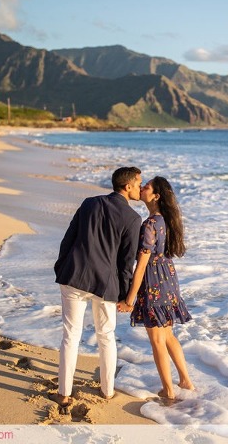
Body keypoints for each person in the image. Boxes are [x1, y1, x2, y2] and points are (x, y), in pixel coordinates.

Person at [51, 166, 143, 408]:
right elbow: (126, 262)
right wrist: (125, 295)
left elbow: (68, 239)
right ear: (127, 186)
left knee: (70, 336)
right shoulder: (133, 219)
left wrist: (62, 267)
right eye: (138, 184)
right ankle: (107, 391)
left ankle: (64, 393)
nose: (140, 189)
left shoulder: (89, 203)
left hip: (74, 275)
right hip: (106, 285)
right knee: (106, 337)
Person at [118, 176, 195, 400]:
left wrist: (130, 299)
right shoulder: (166, 221)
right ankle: (185, 381)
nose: (142, 187)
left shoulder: (150, 224)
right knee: (168, 335)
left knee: (158, 340)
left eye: (147, 186)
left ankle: (169, 391)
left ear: (156, 196)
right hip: (169, 279)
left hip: (153, 281)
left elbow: (141, 265)